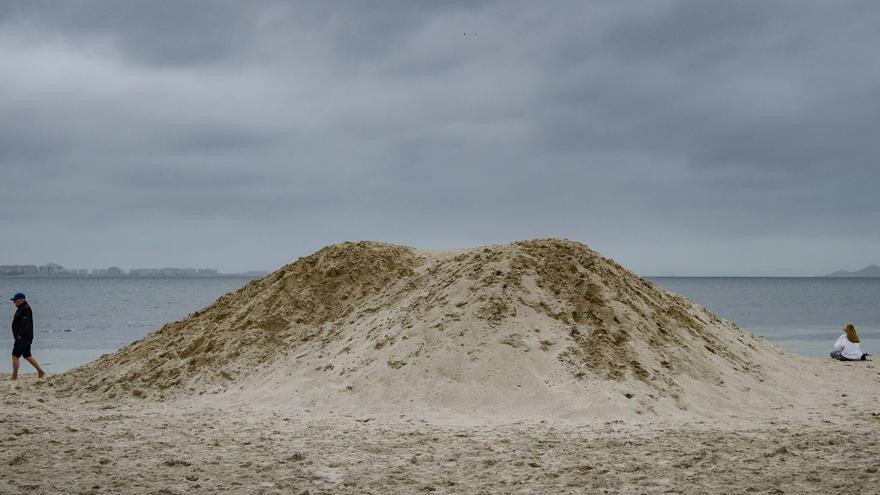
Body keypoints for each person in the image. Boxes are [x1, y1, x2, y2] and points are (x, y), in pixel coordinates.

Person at [10, 292, 45, 380]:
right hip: (25, 336)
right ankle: (40, 371)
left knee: (15, 355)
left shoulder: (25, 309)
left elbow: (25, 324)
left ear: (21, 300)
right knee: (27, 355)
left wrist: (19, 336)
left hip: (23, 337)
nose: (14, 302)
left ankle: (14, 376)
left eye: (15, 300)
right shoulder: (21, 308)